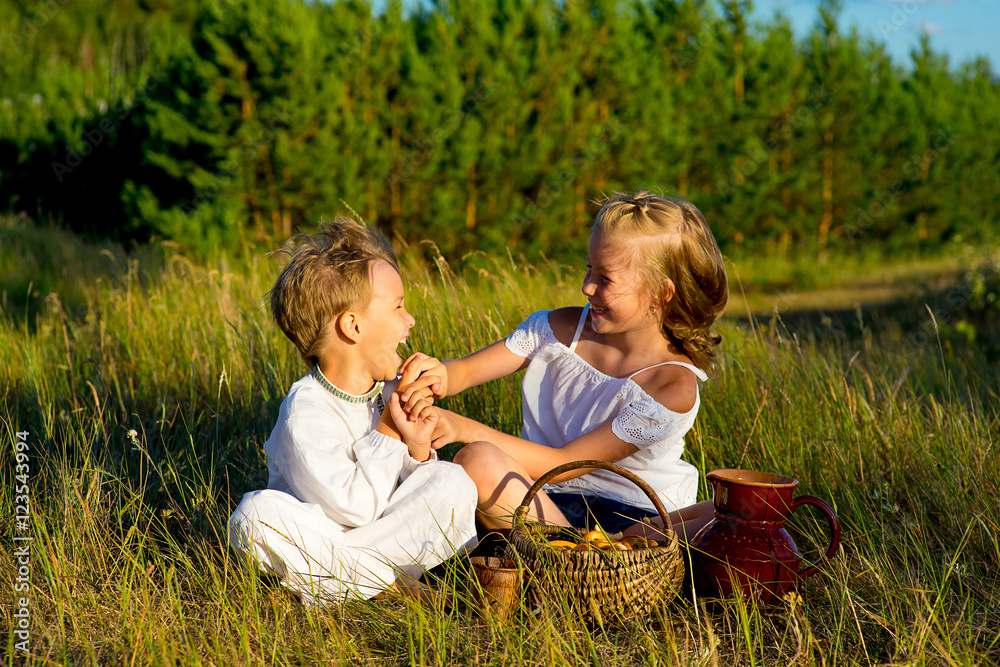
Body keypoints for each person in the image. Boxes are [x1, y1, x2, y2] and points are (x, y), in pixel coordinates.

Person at [411, 191, 728, 542]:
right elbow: (467, 371)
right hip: (542, 502)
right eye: (588, 268)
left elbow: (564, 464)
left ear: (660, 293)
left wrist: (460, 427)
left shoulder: (672, 387)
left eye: (605, 278)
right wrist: (439, 375)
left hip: (633, 520)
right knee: (476, 461)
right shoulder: (557, 329)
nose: (586, 285)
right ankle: (578, 557)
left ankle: (593, 555)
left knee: (727, 509)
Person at [228, 218, 477, 604]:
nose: (409, 319)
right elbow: (356, 510)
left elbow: (401, 493)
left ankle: (351, 580)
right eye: (397, 306)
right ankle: (394, 587)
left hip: (355, 545)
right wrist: (388, 431)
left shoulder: (385, 394)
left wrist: (416, 449)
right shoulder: (305, 411)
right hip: (322, 532)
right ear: (353, 326)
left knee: (453, 482)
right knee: (254, 516)